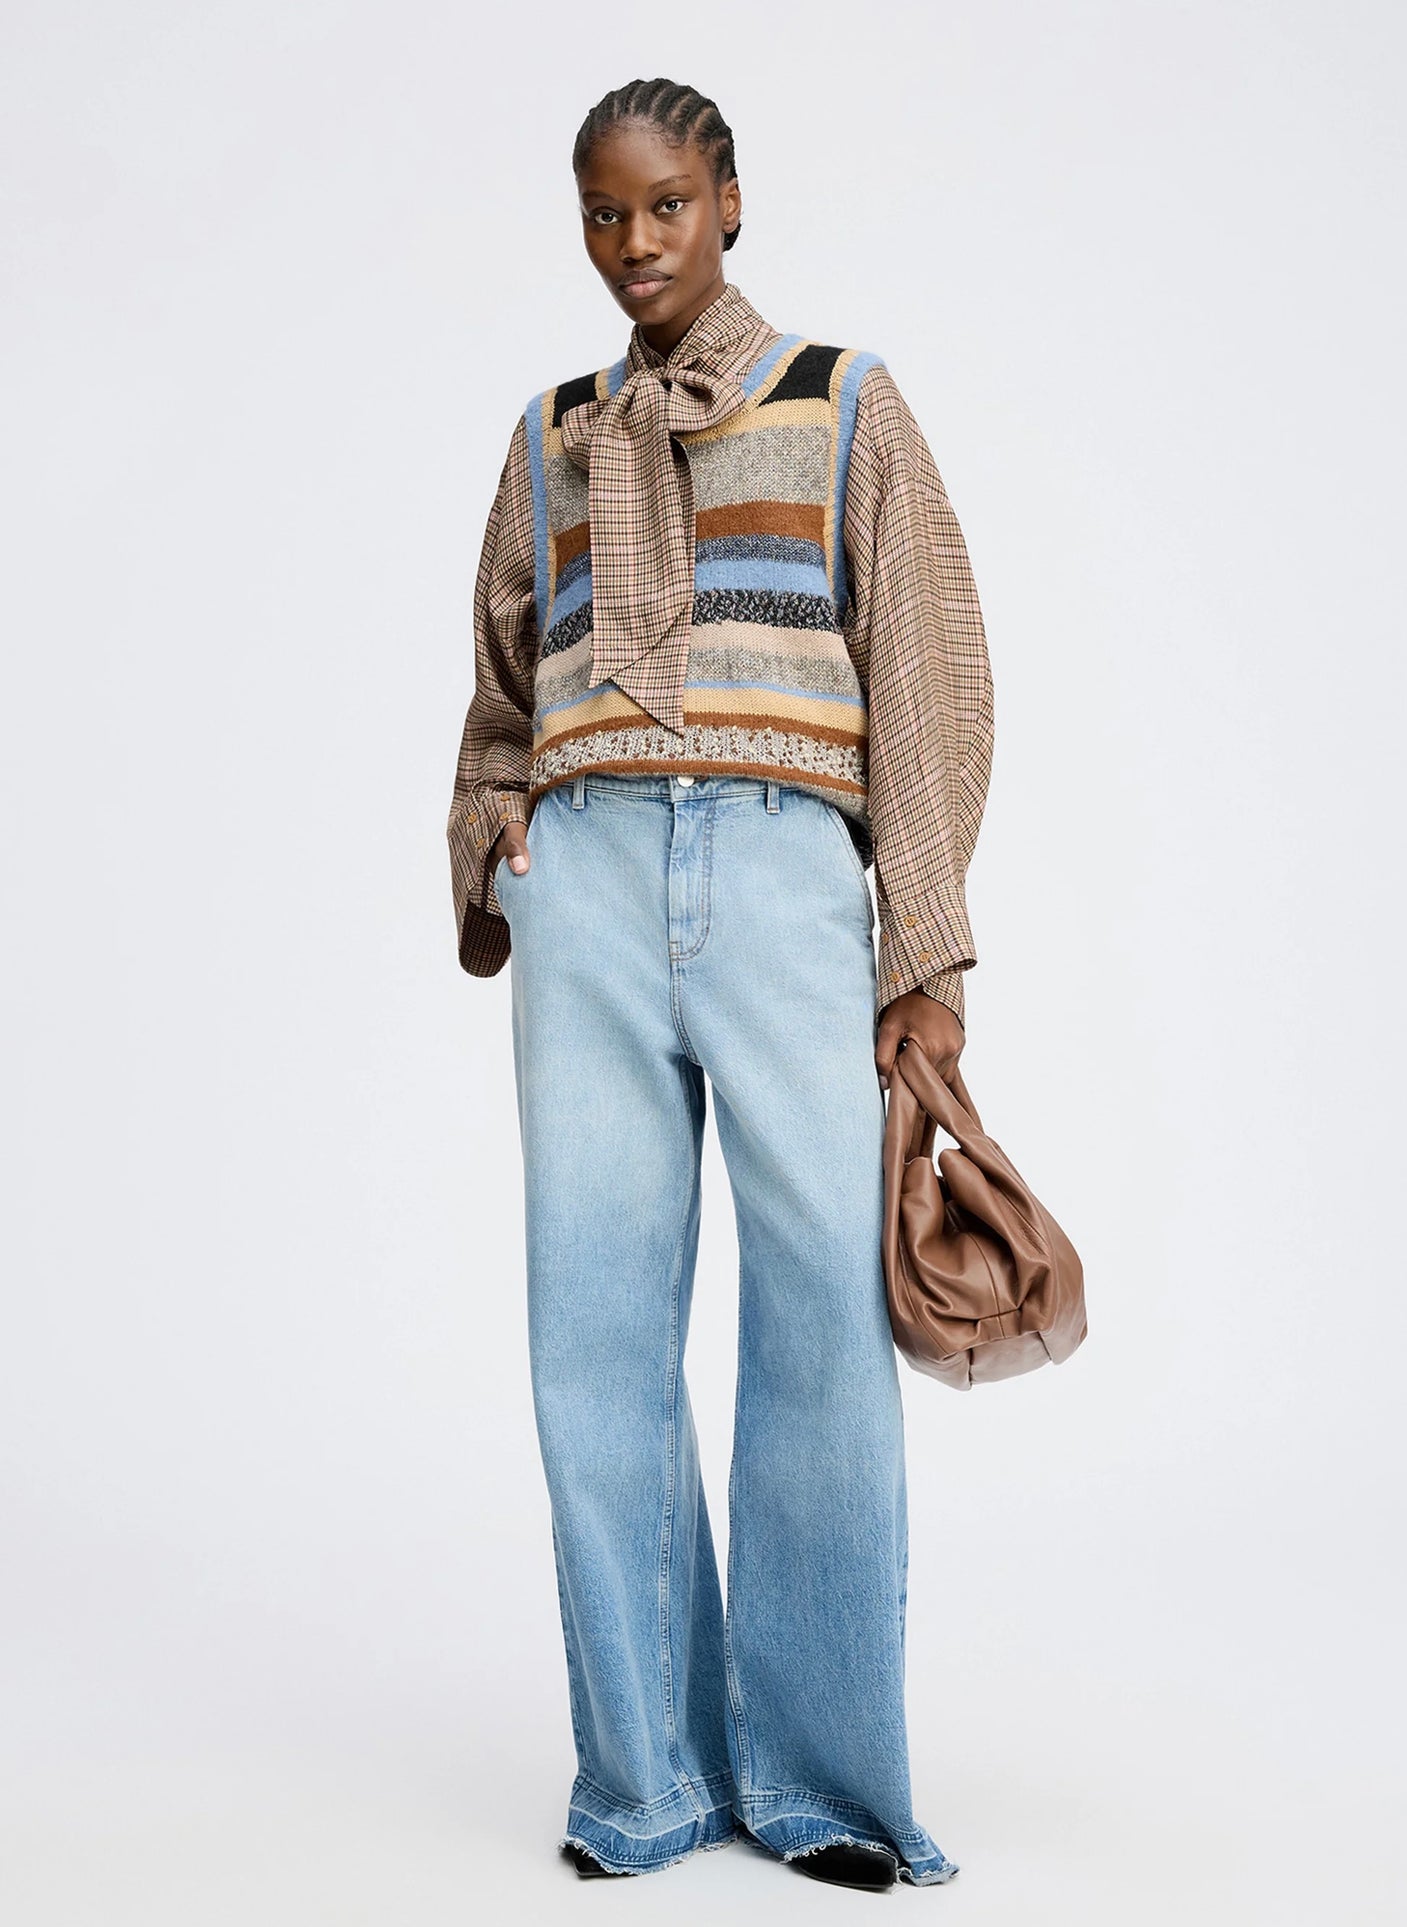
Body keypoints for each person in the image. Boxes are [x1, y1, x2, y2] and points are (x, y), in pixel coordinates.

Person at [446, 76, 993, 1892]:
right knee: (592, 1333)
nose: (634, 243)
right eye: (603, 213)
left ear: (731, 200)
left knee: (824, 1325)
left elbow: (927, 673)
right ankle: (647, 1781)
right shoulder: (548, 435)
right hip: (590, 890)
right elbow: (501, 682)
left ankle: (825, 1785)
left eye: (666, 204)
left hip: (777, 875)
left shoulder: (841, 404)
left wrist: (924, 951)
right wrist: (503, 837)